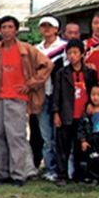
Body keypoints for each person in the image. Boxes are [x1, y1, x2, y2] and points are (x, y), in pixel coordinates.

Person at [0, 16, 53, 186]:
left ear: (16, 29)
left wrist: (31, 84)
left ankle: (19, 174)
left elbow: (47, 65)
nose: (6, 30)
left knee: (16, 136)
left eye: (10, 27)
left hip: (17, 98)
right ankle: (4, 172)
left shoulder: (26, 49)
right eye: (3, 27)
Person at [52, 39, 98, 186]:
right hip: (66, 114)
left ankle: (80, 174)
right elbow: (56, 95)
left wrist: (91, 104)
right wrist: (56, 113)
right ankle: (62, 175)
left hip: (83, 115)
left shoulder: (90, 72)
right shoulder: (61, 73)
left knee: (81, 147)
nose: (72, 56)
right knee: (63, 147)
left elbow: (94, 91)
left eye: (75, 53)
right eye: (69, 53)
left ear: (82, 54)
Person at [34, 15, 67, 182]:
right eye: (43, 26)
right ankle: (50, 168)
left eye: (49, 26)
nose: (46, 29)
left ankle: (62, 168)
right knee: (46, 136)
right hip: (42, 95)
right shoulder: (36, 49)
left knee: (59, 135)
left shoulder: (64, 47)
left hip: (59, 97)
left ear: (56, 29)